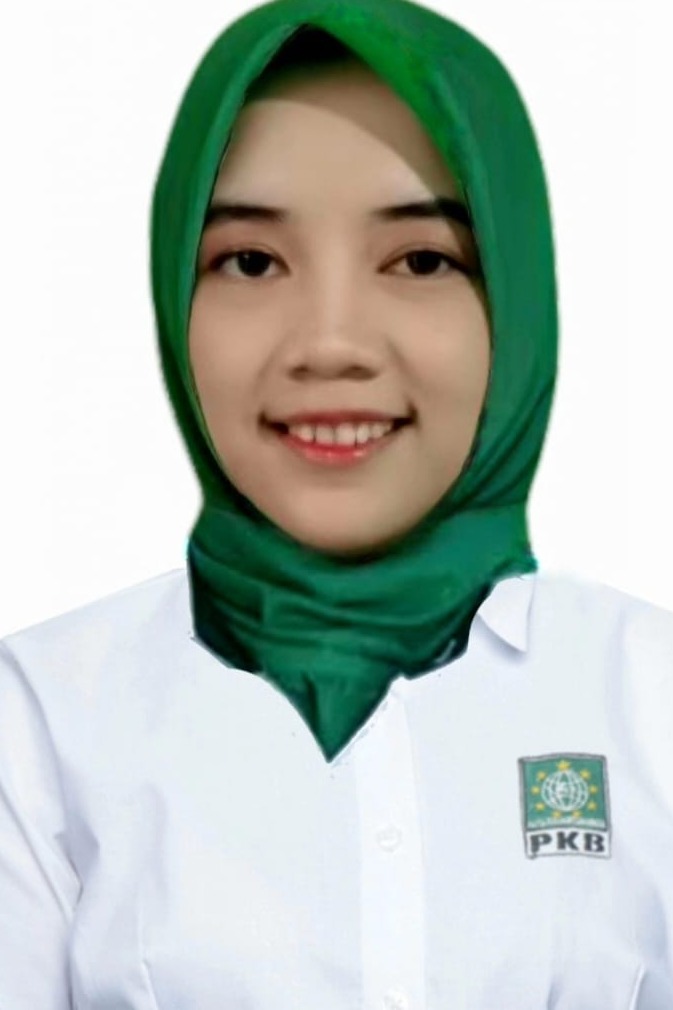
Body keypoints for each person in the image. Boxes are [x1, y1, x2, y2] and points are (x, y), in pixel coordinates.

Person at [1, 0, 671, 1006]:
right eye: (251, 261)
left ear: (519, 300)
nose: (329, 343)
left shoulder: (650, 698)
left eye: (421, 259)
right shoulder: (44, 715)